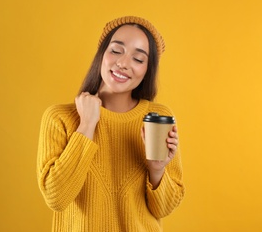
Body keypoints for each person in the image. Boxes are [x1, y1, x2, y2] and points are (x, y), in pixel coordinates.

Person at [37, 16, 185, 232]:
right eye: (116, 50)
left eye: (138, 59)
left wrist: (157, 170)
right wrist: (87, 125)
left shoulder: (156, 118)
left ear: (147, 70)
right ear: (102, 55)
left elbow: (164, 209)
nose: (123, 63)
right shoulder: (60, 118)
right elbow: (56, 198)